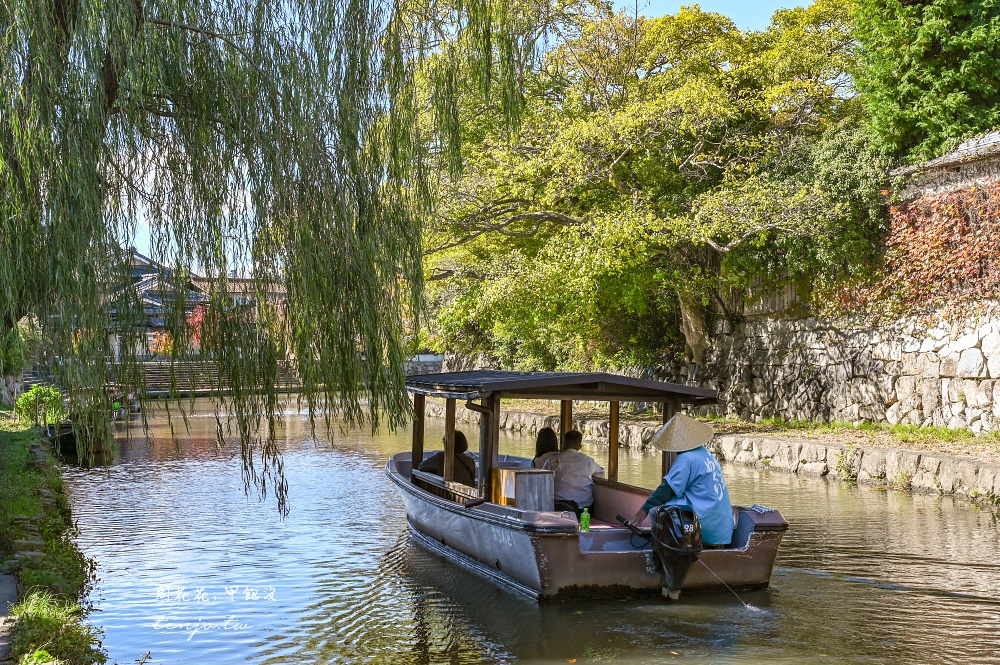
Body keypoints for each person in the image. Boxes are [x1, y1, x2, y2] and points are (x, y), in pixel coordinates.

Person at [631, 413, 734, 546]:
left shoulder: (686, 458)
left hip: (705, 524)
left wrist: (643, 510)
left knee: (655, 512)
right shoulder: (704, 452)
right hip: (722, 526)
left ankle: (662, 552)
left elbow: (667, 489)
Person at [543, 429, 605, 516]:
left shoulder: (552, 461)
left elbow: (542, 480)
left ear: (563, 443)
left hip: (562, 507)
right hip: (585, 508)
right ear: (580, 446)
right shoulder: (589, 461)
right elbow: (601, 474)